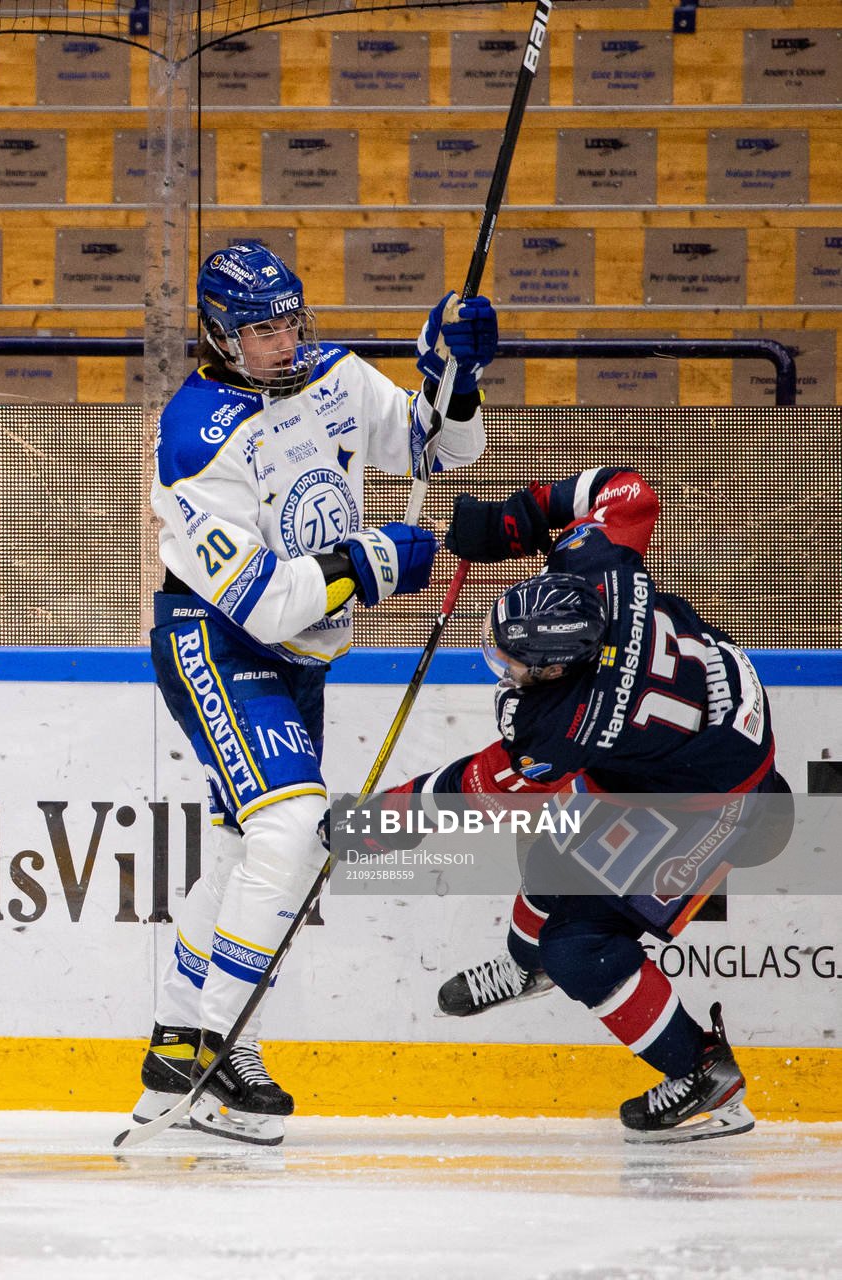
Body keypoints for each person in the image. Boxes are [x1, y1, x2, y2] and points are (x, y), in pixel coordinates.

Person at [133, 240, 497, 1144]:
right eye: (261, 328)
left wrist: (456, 377)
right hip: (217, 640)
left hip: (304, 655)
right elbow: (262, 597)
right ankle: (217, 1050)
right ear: (219, 333)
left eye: (291, 319)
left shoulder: (331, 374)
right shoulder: (193, 440)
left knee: (240, 847)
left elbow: (437, 449)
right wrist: (370, 560)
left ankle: (180, 1044)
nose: (283, 339)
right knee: (292, 827)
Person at [330, 466, 790, 1143]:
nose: (503, 668)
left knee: (578, 945)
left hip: (718, 802)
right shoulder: (599, 566)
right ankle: (525, 968)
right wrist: (514, 521)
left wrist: (373, 825)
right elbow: (627, 488)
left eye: (514, 664)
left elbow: (477, 789)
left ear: (556, 669)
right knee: (553, 855)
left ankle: (703, 1080)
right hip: (693, 743)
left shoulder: (571, 725)